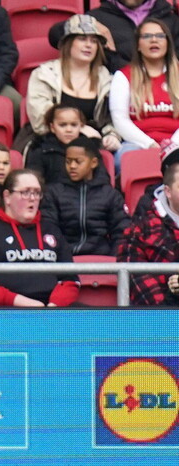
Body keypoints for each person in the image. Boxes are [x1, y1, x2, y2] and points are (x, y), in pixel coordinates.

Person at [0, 169, 80, 307]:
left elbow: (70, 280)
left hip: (53, 310)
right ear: (7, 197)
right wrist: (23, 303)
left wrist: (54, 306)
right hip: (4, 311)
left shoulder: (51, 229)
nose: (33, 198)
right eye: (25, 192)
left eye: (37, 192)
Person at [25, 15, 120, 157]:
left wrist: (112, 135)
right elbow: (40, 119)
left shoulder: (107, 80)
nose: (88, 45)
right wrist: (79, 129)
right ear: (68, 43)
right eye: (82, 39)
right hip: (48, 145)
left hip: (93, 147)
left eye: (94, 41)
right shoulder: (44, 74)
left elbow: (115, 118)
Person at [47, 0, 179, 73]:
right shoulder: (98, 17)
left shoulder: (170, 19)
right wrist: (86, 22)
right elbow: (55, 35)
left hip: (163, 88)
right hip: (112, 88)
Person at [41, 137, 129, 256]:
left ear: (93, 163)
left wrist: (115, 261)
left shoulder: (110, 195)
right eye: (68, 161)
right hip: (64, 260)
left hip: (102, 258)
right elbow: (49, 229)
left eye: (78, 161)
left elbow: (121, 232)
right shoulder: (53, 192)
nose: (72, 166)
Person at [110, 19, 179, 157]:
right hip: (137, 144)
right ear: (138, 45)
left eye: (160, 36)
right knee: (124, 157)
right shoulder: (123, 76)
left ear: (167, 43)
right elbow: (120, 120)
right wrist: (150, 144)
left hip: (176, 142)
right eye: (147, 36)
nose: (154, 40)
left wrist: (172, 147)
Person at [118, 154, 179, 305]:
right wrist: (167, 303)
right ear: (168, 191)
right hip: (160, 319)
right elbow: (134, 273)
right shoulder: (142, 227)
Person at [25, 105, 88, 186]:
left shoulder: (90, 150)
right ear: (52, 127)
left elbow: (101, 183)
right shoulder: (39, 150)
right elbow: (33, 184)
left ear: (81, 125)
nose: (69, 130)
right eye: (62, 125)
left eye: (74, 125)